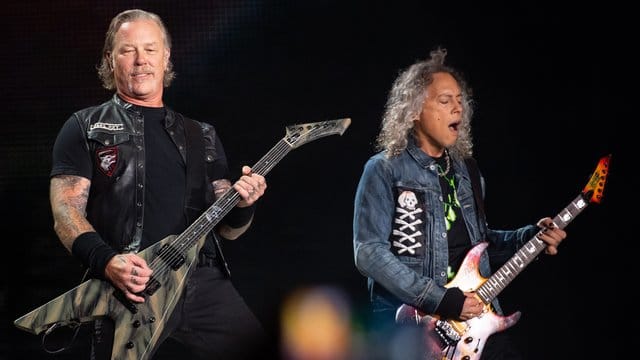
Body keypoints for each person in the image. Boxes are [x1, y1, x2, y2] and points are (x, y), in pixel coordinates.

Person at [49, 9, 267, 360]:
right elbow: (65, 212)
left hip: (202, 283)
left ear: (166, 56)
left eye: (150, 49)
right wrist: (108, 263)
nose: (140, 61)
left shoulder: (202, 135)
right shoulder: (84, 127)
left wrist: (245, 204)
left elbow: (228, 229)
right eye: (127, 50)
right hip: (126, 287)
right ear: (110, 58)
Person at [352, 48, 567, 359]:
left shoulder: (467, 171)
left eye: (459, 100)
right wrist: (441, 300)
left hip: (474, 326)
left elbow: (481, 243)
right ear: (412, 110)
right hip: (413, 330)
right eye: (445, 100)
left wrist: (529, 237)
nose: (458, 108)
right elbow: (369, 253)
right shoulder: (384, 169)